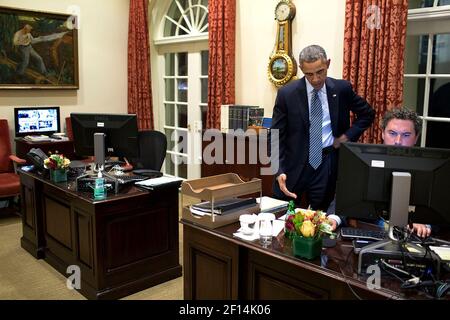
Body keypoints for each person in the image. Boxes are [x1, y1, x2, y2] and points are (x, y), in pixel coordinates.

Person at [271, 44, 374, 212]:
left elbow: (367, 114)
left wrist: (346, 138)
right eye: (309, 74)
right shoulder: (287, 94)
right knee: (283, 215)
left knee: (320, 217)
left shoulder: (342, 89)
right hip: (295, 164)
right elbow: (275, 136)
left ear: (328, 64)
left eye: (320, 72)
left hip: (326, 163)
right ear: (301, 69)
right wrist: (279, 170)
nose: (316, 79)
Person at [327, 107, 432, 237]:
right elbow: (344, 198)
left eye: (406, 135)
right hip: (370, 233)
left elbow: (439, 210)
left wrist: (424, 224)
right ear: (382, 133)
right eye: (392, 133)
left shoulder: (429, 166)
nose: (398, 141)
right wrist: (333, 218)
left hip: (411, 238)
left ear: (416, 138)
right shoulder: (362, 160)